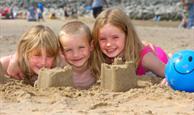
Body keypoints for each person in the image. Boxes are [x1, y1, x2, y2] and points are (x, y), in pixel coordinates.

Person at [92, 8, 169, 81]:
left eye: (115, 37)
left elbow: (168, 72)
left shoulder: (145, 58)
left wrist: (168, 79)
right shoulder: (99, 54)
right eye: (103, 39)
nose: (108, 44)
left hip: (159, 57)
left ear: (127, 34)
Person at [58, 20, 96, 89]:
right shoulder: (58, 71)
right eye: (69, 50)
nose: (76, 55)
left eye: (81, 47)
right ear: (61, 52)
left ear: (91, 46)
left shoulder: (98, 68)